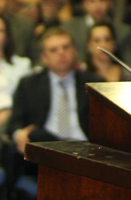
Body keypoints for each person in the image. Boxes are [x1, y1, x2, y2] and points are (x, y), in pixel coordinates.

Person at [8, 27, 103, 155]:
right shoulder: (29, 84)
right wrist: (19, 134)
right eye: (53, 50)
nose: (61, 53)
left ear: (75, 51)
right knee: (33, 136)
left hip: (84, 149)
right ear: (44, 58)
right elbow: (15, 122)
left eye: (66, 47)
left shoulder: (94, 83)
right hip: (46, 149)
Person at [62, 0, 131, 70]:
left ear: (110, 3)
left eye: (102, 0)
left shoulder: (123, 31)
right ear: (84, 4)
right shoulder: (69, 29)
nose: (97, 5)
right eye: (92, 1)